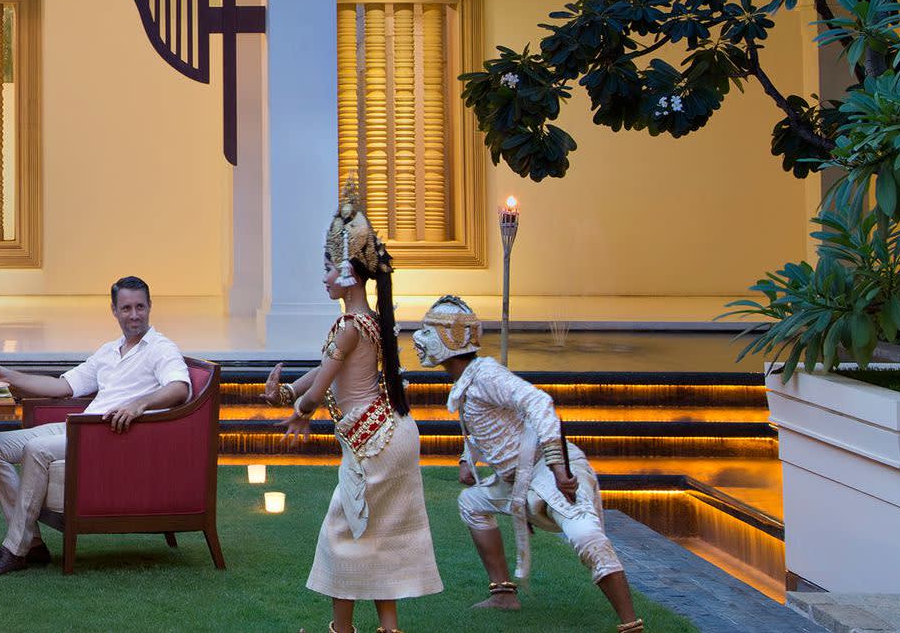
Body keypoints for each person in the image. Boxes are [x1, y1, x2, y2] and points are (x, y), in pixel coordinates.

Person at [264, 187, 440, 633]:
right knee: (375, 538)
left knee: (343, 535)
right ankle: (387, 628)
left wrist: (298, 406)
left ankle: (342, 630)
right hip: (388, 434)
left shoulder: (349, 325)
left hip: (374, 441)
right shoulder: (365, 322)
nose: (322, 278)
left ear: (348, 273)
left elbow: (319, 386)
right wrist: (286, 396)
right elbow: (320, 377)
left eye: (327, 268)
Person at [413, 295, 643, 633]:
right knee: (472, 503)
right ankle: (504, 594)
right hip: (518, 479)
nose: (420, 340)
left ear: (449, 339)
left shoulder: (487, 374)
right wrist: (467, 458)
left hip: (545, 470)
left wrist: (559, 469)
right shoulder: (471, 378)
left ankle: (631, 625)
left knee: (584, 534)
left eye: (428, 332)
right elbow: (486, 425)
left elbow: (540, 403)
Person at [0, 274, 191, 575]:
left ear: (150, 306)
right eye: (126, 308)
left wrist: (138, 404)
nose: (134, 315)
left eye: (140, 307)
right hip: (78, 428)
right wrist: (8, 375)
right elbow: (62, 386)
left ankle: (15, 550)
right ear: (114, 310)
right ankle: (33, 544)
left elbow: (180, 387)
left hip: (107, 434)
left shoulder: (161, 348)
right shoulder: (109, 351)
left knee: (36, 448)